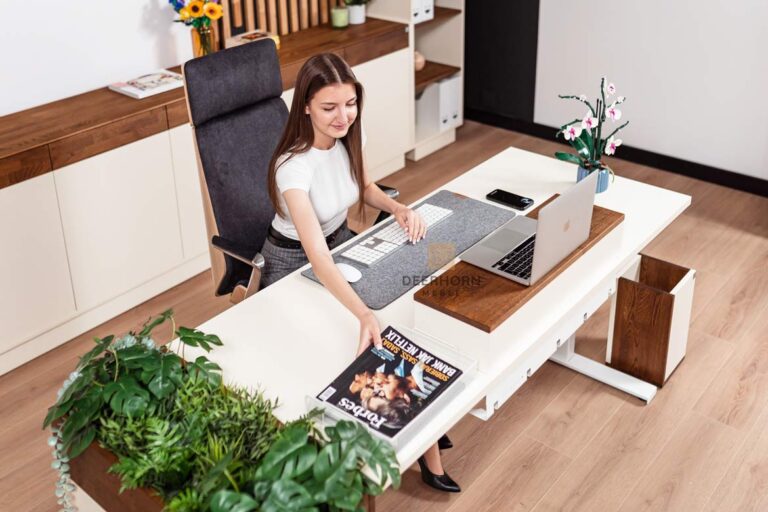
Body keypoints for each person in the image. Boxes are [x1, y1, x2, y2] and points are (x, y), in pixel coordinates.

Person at [260, 53, 460, 493]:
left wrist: (399, 207)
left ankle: (419, 423)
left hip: (341, 244)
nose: (343, 116)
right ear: (305, 106)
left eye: (350, 104)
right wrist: (363, 314)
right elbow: (317, 257)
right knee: (364, 328)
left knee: (403, 307)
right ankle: (421, 441)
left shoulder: (348, 133)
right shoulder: (293, 167)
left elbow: (363, 186)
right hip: (292, 263)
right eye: (329, 107)